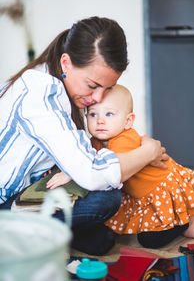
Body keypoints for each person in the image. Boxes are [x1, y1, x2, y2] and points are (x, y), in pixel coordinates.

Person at [0, 16, 168, 255]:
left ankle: (57, 234)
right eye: (92, 85)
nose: (98, 99)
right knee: (105, 199)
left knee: (99, 223)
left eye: (107, 88)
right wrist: (147, 152)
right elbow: (92, 173)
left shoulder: (55, 78)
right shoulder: (41, 93)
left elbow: (81, 159)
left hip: (24, 188)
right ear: (66, 63)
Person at [86, 84, 194, 248]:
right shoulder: (96, 140)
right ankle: (183, 219)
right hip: (141, 193)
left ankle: (186, 219)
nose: (100, 120)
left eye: (109, 114)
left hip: (159, 190)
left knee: (149, 241)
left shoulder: (123, 140)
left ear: (128, 121)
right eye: (93, 114)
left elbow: (108, 169)